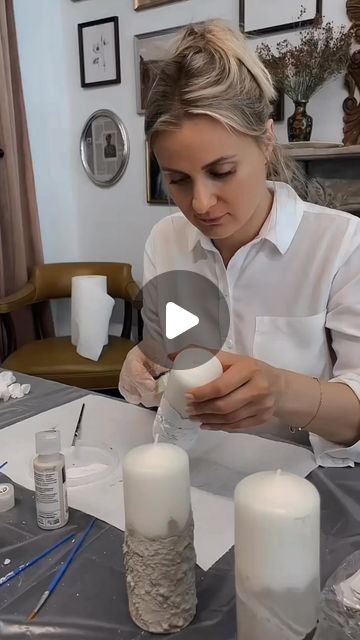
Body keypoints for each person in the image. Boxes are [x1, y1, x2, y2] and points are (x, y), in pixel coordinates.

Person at [119, 20, 360, 452]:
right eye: (177, 180)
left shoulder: (341, 245)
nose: (201, 204)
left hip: (306, 484)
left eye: (221, 172)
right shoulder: (166, 241)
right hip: (197, 465)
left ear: (266, 141)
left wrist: (282, 392)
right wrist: (146, 362)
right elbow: (173, 351)